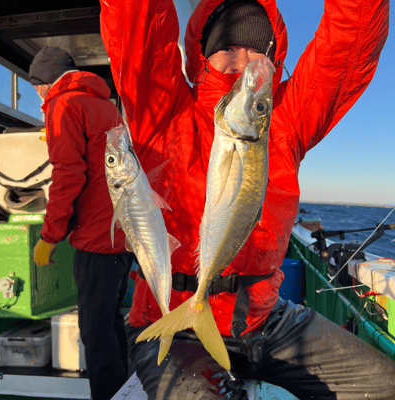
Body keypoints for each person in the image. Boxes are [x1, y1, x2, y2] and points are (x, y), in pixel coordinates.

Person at [99, 0, 395, 399]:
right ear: (202, 54)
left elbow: (348, 46)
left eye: (258, 49)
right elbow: (135, 23)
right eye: (226, 47)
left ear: (274, 58)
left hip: (266, 319)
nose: (242, 61)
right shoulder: (162, 110)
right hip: (173, 321)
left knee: (384, 386)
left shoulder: (283, 118)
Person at [29, 46, 134, 400]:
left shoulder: (64, 104)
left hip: (95, 238)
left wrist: (49, 237)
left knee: (95, 332)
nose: (38, 95)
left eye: (36, 86)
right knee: (110, 323)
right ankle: (125, 392)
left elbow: (68, 177)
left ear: (44, 82)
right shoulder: (105, 105)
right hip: (120, 234)